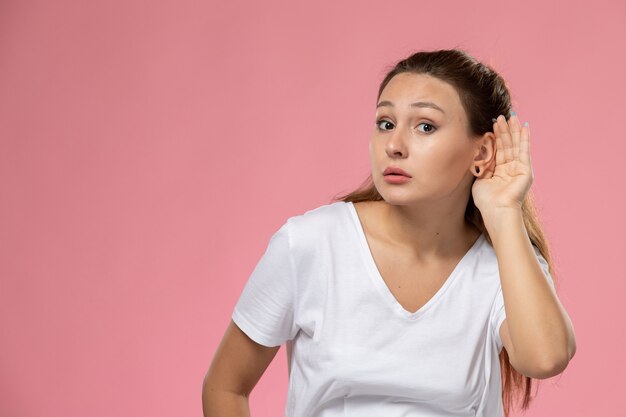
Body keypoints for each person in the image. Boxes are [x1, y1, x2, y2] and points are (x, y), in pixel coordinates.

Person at [202, 48, 577, 417]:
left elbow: (544, 359)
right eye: (385, 123)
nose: (394, 146)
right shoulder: (310, 244)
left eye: (425, 126)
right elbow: (225, 388)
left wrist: (503, 212)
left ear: (482, 152)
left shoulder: (505, 262)